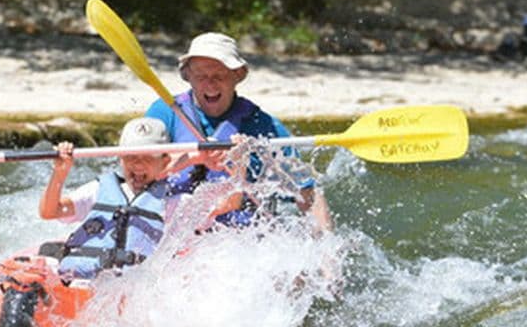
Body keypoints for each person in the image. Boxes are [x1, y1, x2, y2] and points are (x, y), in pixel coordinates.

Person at [145, 32, 333, 232]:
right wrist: (194, 157)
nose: (210, 84)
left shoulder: (264, 126)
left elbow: (307, 192)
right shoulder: (165, 113)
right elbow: (138, 171)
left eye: (219, 76)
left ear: (237, 75)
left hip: (237, 237)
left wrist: (327, 254)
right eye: (201, 76)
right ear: (188, 77)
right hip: (176, 228)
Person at [38, 117, 185, 280]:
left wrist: (204, 158)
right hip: (80, 282)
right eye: (131, 156)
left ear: (165, 161)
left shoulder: (173, 202)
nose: (138, 164)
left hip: (130, 290)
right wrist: (60, 172)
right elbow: (49, 212)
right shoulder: (99, 189)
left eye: (148, 157)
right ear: (120, 157)